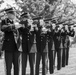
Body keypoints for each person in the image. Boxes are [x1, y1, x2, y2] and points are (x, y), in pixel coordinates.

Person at [1, 8, 20, 75]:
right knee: (8, 66)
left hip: (16, 47)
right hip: (8, 47)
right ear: (8, 14)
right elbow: (3, 28)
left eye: (14, 14)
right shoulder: (4, 21)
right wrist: (13, 26)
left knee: (17, 66)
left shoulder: (17, 22)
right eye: (12, 14)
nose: (14, 15)